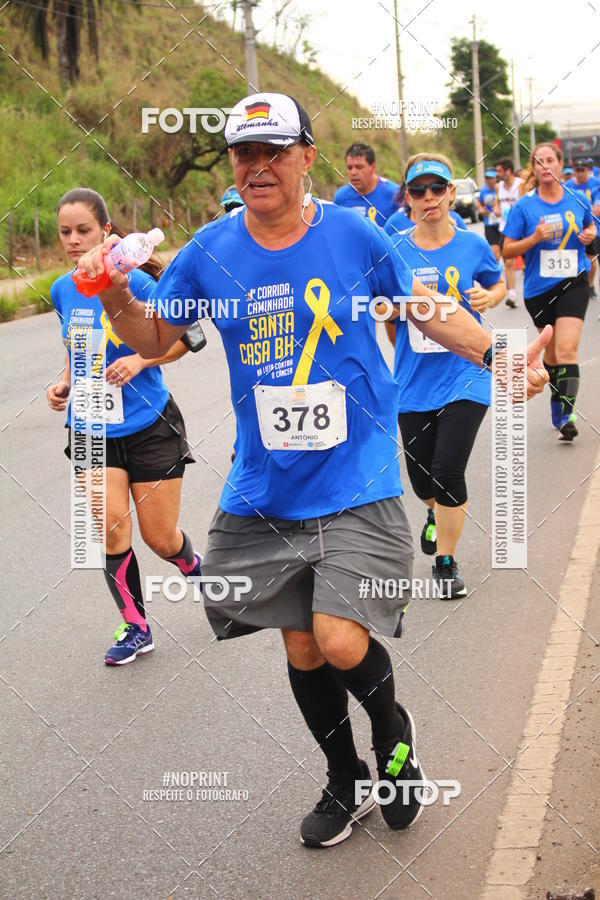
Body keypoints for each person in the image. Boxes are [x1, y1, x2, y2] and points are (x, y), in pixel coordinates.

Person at [74, 92, 550, 847]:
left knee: (336, 637)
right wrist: (121, 294)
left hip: (357, 471)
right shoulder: (210, 250)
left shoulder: (356, 236)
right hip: (268, 483)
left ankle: (395, 742)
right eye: (243, 154)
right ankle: (345, 778)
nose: (258, 166)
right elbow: (158, 329)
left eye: (274, 151)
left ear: (305, 157)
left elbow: (424, 307)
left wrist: (495, 357)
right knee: (298, 643)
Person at [46, 188, 202, 665]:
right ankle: (135, 626)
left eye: (84, 231)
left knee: (160, 537)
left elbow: (184, 342)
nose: (74, 240)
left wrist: (140, 358)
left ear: (106, 233)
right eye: (66, 232)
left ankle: (193, 566)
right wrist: (65, 382)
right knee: (113, 531)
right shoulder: (61, 290)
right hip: (91, 426)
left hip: (148, 423)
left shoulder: (139, 285)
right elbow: (78, 346)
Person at [384, 154, 505, 599]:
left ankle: (446, 564)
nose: (429, 198)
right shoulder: (395, 248)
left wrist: (488, 297)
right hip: (413, 380)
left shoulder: (472, 245)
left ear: (452, 193)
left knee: (448, 469)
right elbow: (381, 309)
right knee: (422, 482)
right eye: (419, 191)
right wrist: (391, 311)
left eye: (438, 189)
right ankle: (436, 513)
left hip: (466, 373)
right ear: (408, 199)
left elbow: (498, 284)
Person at [503, 143, 596, 440]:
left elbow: (591, 232)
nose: (545, 166)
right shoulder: (524, 206)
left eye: (550, 160)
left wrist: (591, 234)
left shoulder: (578, 199)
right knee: (553, 355)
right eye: (538, 162)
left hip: (574, 281)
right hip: (539, 290)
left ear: (560, 164)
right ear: (534, 168)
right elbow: (508, 250)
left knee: (567, 349)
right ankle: (558, 403)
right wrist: (534, 238)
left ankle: (567, 414)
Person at [334, 142, 400, 226]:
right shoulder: (341, 197)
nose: (353, 172)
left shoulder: (394, 194)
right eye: (349, 168)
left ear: (372, 167)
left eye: (359, 167)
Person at [566, 158, 600, 297]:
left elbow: (597, 208)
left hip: (593, 227)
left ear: (588, 170)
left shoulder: (596, 183)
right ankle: (578, 286)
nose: (580, 173)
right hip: (573, 229)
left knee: (591, 257)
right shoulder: (568, 185)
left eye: (582, 170)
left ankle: (590, 283)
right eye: (577, 170)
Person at [494, 158, 523, 307]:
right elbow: (496, 204)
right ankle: (512, 293)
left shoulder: (521, 185)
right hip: (505, 228)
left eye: (499, 171)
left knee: (529, 260)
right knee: (509, 261)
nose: (497, 174)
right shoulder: (499, 187)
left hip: (522, 229)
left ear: (508, 171)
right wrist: (497, 210)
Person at [384, 189, 467, 236]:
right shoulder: (393, 224)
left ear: (451, 192)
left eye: (437, 187)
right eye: (419, 189)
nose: (428, 197)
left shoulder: (456, 221)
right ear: (408, 197)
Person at [478, 168, 503, 261]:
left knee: (505, 254)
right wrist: (481, 209)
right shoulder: (484, 190)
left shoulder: (501, 188)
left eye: (491, 178)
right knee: (495, 254)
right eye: (487, 178)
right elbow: (479, 202)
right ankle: (497, 273)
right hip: (489, 224)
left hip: (502, 223)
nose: (489, 180)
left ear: (496, 178)